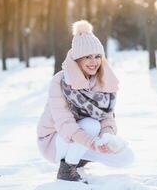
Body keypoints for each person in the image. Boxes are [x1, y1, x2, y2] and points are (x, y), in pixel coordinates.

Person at [36, 20, 134, 182]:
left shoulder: (102, 81)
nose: (94, 62)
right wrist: (93, 142)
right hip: (54, 141)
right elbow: (65, 123)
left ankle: (78, 157)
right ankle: (67, 169)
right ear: (77, 59)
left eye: (97, 57)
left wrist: (106, 138)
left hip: (85, 140)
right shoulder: (60, 81)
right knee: (91, 124)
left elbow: (107, 118)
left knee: (126, 157)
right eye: (87, 57)